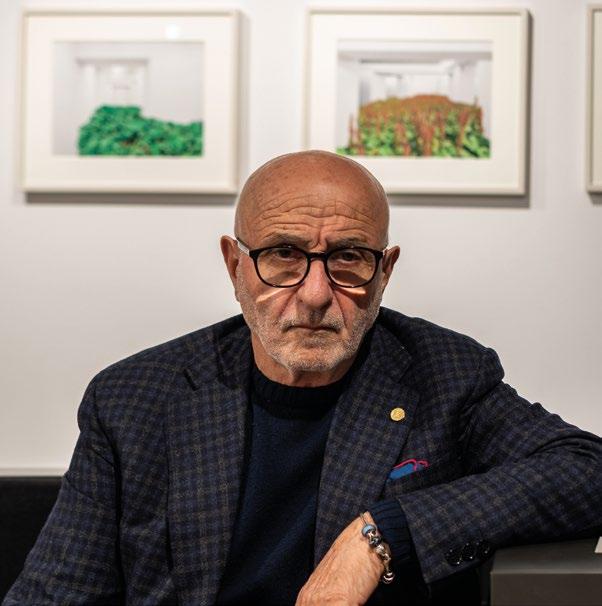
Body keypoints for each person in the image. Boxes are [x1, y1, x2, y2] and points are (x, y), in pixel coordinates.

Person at [4, 150, 601, 606]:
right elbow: (57, 594)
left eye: (349, 257)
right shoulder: (134, 399)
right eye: (284, 254)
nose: (315, 295)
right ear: (235, 265)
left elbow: (587, 470)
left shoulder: (444, 373)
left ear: (385, 271)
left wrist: (381, 534)